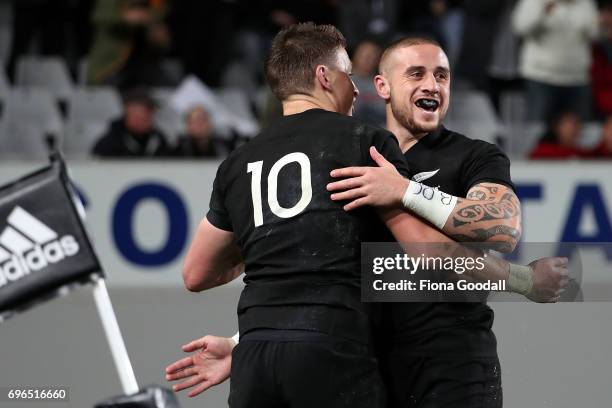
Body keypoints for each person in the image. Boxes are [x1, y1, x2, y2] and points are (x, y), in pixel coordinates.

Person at [165, 35, 569, 407]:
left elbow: (503, 227)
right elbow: (319, 265)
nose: (433, 85)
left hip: (452, 366)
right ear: (382, 86)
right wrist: (242, 342)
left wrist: (405, 191)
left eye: (442, 75)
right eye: (417, 73)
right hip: (374, 363)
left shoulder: (474, 156)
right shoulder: (355, 150)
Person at [175, 22, 418, 408]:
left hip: (254, 354)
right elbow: (414, 254)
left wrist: (264, 242)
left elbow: (196, 273)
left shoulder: (237, 163)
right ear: (324, 76)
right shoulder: (365, 142)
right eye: (348, 75)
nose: (355, 88)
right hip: (334, 347)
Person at [512, 0, 598, 121]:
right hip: (540, 76)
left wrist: (599, 24)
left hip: (577, 77)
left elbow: (595, 33)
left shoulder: (585, 2)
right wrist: (542, 12)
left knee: (581, 131)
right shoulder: (535, 2)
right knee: (537, 129)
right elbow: (520, 27)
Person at [92, 88, 171, 157]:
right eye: (146, 109)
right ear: (129, 110)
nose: (150, 114)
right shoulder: (109, 144)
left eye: (151, 110)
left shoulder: (159, 139)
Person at [350, 40, 386, 126]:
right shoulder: (343, 81)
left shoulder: (382, 84)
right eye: (364, 56)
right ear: (355, 56)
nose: (368, 60)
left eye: (372, 57)